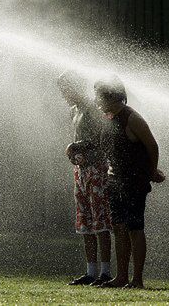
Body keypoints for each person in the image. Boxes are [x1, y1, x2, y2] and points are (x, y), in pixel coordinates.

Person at [94, 76, 165, 289]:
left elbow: (152, 146)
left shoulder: (132, 118)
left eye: (99, 95)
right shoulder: (108, 118)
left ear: (111, 96)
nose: (96, 99)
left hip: (134, 182)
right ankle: (121, 276)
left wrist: (151, 171)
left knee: (135, 227)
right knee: (119, 228)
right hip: (115, 180)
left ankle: (137, 279)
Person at [57, 70, 113, 286]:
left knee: (101, 221)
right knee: (85, 222)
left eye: (65, 89)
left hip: (97, 170)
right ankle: (90, 272)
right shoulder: (73, 110)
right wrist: (74, 153)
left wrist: (78, 146)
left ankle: (105, 273)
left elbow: (103, 139)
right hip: (80, 172)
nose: (63, 94)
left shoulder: (94, 108)